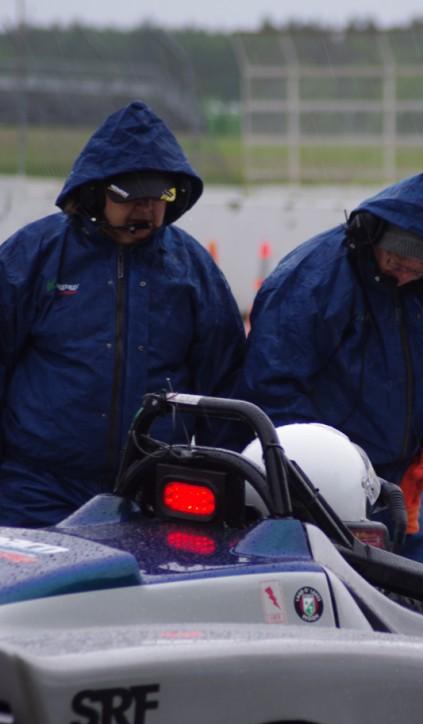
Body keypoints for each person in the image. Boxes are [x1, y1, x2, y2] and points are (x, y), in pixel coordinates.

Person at [0, 100, 245, 528]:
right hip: (36, 489)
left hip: (154, 489)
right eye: (131, 196)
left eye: (160, 196)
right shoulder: (33, 256)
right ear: (95, 192)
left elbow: (224, 387)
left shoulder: (193, 269)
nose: (146, 209)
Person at [236, 170, 423, 563]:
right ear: (374, 235)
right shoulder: (312, 279)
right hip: (320, 480)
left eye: (421, 270)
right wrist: (313, 474)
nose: (405, 277)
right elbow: (272, 385)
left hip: (400, 484)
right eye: (398, 262)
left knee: (409, 599)